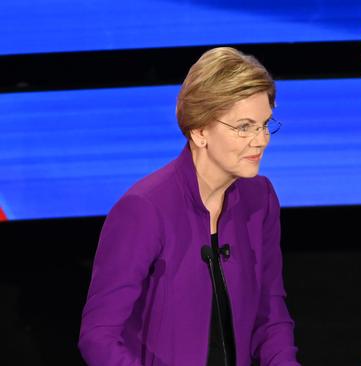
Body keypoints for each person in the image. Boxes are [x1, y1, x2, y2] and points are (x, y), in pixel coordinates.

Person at [79, 47, 300, 366]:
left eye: (265, 124)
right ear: (199, 131)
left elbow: (271, 316)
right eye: (244, 127)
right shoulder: (144, 209)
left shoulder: (260, 198)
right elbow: (98, 336)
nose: (261, 139)